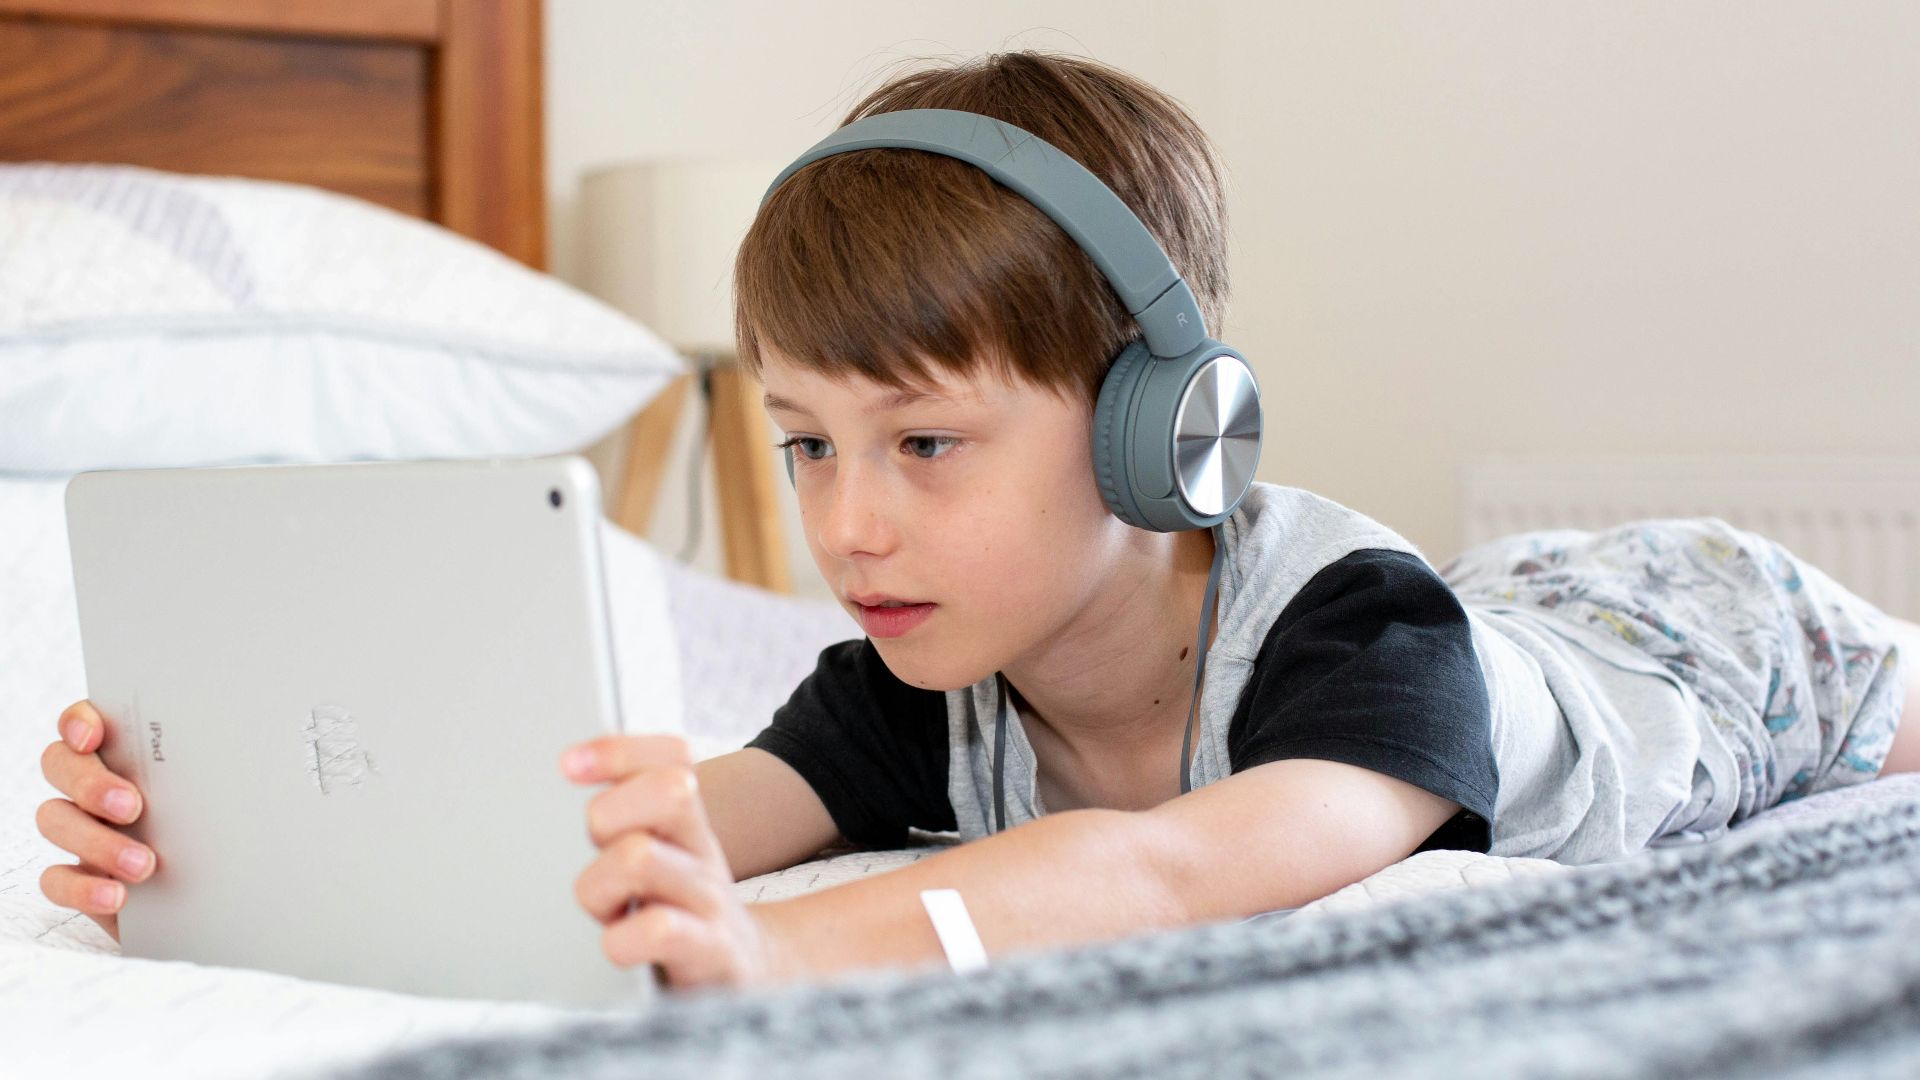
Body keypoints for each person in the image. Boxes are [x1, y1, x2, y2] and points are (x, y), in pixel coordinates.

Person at [36, 51, 1920, 993]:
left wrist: (784, 952)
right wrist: (244, 858)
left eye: (924, 445)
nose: (847, 525)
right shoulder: (912, 666)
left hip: (1705, 637)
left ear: (1156, 435)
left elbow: (1172, 875)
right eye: (803, 445)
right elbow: (658, 830)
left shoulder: (1367, 644)